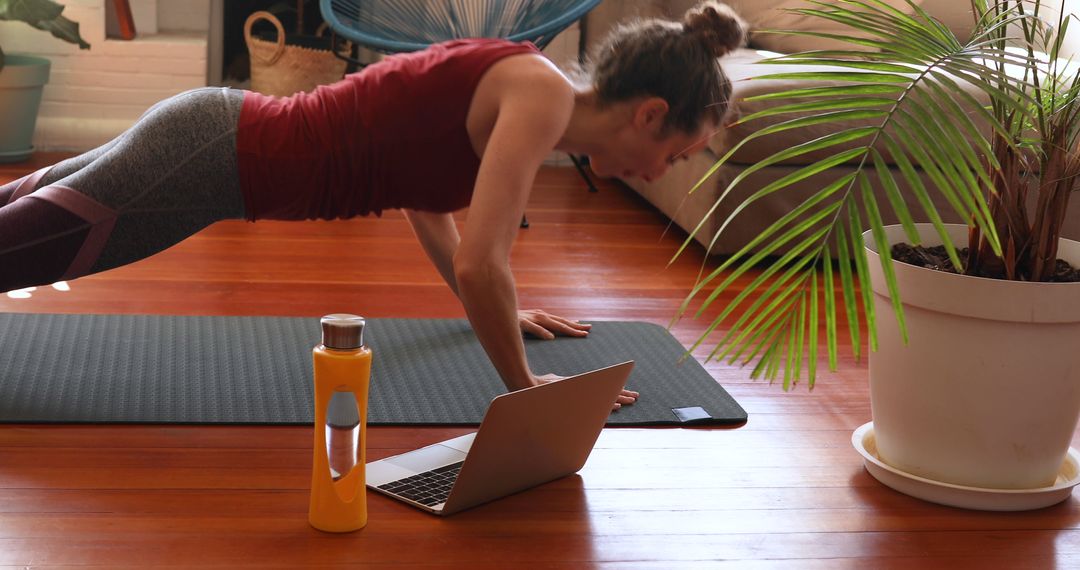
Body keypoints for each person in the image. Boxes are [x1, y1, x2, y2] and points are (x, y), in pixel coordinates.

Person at [0, 1, 746, 409]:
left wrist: (497, 310)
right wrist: (526, 389)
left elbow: (427, 206)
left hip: (211, 138)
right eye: (677, 154)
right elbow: (485, 265)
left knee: (23, 216)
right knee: (25, 247)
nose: (663, 171)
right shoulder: (538, 96)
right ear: (649, 114)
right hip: (213, 155)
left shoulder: (525, 84)